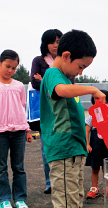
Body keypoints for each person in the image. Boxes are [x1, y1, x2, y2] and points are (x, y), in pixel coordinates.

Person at [40, 29, 106, 208]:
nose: (80, 71)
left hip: (74, 149)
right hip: (63, 149)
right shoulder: (53, 75)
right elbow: (61, 91)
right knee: (64, 206)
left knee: (74, 201)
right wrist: (91, 89)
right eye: (81, 66)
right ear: (66, 56)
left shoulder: (67, 79)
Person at [0, 50, 33, 208]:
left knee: (18, 167)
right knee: (0, 167)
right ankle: (4, 200)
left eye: (14, 68)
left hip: (19, 131)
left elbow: (22, 109)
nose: (10, 70)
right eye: (7, 66)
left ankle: (20, 199)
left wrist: (27, 130)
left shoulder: (19, 86)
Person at [30, 29, 64, 195]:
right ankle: (50, 182)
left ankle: (61, 181)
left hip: (61, 111)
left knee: (62, 147)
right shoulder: (38, 60)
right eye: (52, 41)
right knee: (46, 150)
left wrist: (44, 80)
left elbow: (68, 85)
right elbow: (34, 84)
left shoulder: (66, 61)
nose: (56, 45)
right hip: (44, 112)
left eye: (59, 41)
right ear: (45, 44)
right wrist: (53, 85)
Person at [85, 90, 108, 199]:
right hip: (95, 147)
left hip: (107, 147)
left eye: (106, 103)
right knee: (95, 168)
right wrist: (87, 144)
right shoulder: (91, 118)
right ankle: (94, 187)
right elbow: (87, 131)